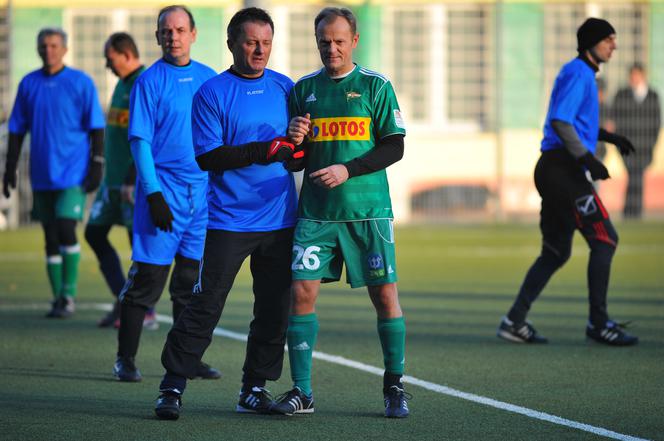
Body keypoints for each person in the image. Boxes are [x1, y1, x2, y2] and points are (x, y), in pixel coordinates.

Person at [155, 7, 301, 420]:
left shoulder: (285, 88)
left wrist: (297, 151)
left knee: (274, 310)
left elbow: (292, 156)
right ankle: (172, 386)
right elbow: (208, 157)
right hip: (228, 222)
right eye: (252, 41)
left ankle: (254, 388)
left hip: (280, 220)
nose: (260, 50)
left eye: (267, 42)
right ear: (232, 43)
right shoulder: (213, 93)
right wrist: (266, 149)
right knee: (205, 305)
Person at [270, 7, 410, 419]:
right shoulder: (302, 90)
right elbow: (294, 161)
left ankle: (394, 385)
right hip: (315, 214)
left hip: (368, 212)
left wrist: (348, 169)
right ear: (316, 42)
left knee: (384, 296)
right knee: (301, 293)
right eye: (324, 42)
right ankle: (303, 392)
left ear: (354, 41)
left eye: (338, 41)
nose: (331, 48)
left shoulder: (376, 86)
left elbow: (395, 146)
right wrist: (294, 143)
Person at [497, 18, 638, 346]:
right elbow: (561, 122)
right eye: (608, 39)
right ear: (591, 43)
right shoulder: (579, 73)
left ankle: (513, 321)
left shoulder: (581, 73)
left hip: (555, 169)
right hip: (564, 172)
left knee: (556, 251)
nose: (613, 45)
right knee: (605, 239)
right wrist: (588, 159)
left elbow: (574, 120)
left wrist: (609, 137)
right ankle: (599, 324)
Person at [112, 5, 220, 383]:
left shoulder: (210, 79)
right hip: (164, 194)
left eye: (179, 30)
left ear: (193, 34)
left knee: (190, 282)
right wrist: (153, 193)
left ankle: (185, 359)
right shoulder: (148, 82)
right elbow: (139, 142)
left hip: (202, 196)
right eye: (166, 31)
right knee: (147, 281)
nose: (173, 36)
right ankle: (125, 358)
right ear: (158, 37)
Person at [3, 28, 105, 318]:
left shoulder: (80, 82)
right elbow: (16, 128)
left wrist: (97, 162)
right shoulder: (28, 84)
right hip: (41, 173)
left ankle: (69, 295)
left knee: (65, 227)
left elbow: (96, 127)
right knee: (49, 236)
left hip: (73, 173)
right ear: (38, 49)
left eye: (54, 45)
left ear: (64, 49)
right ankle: (58, 298)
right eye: (44, 46)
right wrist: (10, 167)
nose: (49, 50)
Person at [85, 32, 159, 330]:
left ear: (126, 54)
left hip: (133, 184)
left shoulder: (144, 83)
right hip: (111, 182)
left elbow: (146, 138)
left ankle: (146, 310)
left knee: (138, 246)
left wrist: (132, 177)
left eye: (110, 58)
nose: (107, 65)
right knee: (94, 233)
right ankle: (124, 300)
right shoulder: (122, 84)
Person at [612, 63, 661, 219]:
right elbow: (615, 119)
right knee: (633, 176)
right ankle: (632, 211)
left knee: (637, 176)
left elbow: (656, 123)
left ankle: (633, 211)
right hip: (627, 146)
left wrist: (651, 145)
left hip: (645, 147)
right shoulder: (622, 95)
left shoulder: (653, 96)